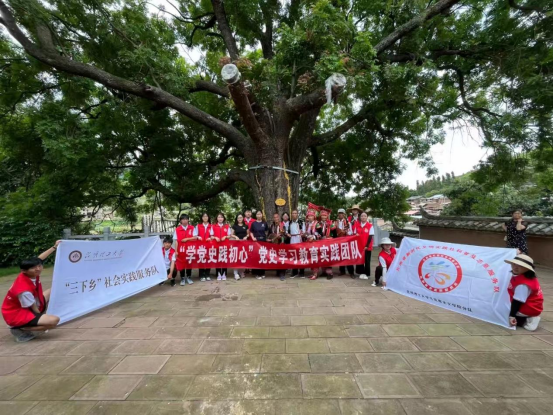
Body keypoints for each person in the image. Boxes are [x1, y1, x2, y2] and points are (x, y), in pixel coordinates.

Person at [2, 241, 61, 343]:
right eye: (34, 268)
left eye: (39, 266)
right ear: (24, 271)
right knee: (53, 321)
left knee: (53, 290)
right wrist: (42, 318)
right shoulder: (23, 290)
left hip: (25, 304)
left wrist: (54, 247)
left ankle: (32, 323)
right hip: (16, 314)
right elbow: (33, 308)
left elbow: (40, 259)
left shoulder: (29, 274)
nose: (38, 269)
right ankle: (20, 329)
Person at [505, 254, 543, 331]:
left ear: (527, 268)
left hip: (529, 307)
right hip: (530, 304)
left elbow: (517, 301)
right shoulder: (522, 276)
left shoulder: (523, 285)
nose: (515, 267)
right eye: (514, 264)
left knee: (504, 316)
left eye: (520, 266)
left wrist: (512, 316)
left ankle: (529, 319)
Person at [172, 214, 197, 286]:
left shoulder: (192, 228)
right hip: (181, 249)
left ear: (188, 220)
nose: (185, 221)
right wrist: (176, 251)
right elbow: (176, 241)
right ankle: (182, 278)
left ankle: (189, 277)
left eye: (186, 219)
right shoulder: (177, 229)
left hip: (190, 249)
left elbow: (195, 237)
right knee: (181, 264)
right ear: (180, 221)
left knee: (189, 263)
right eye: (183, 219)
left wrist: (187, 239)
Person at [352, 211, 374, 280]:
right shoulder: (357, 225)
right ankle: (360, 272)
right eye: (362, 216)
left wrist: (367, 246)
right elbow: (354, 234)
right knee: (360, 259)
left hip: (367, 246)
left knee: (367, 260)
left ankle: (366, 273)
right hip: (359, 246)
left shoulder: (370, 226)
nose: (363, 217)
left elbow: (370, 236)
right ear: (360, 217)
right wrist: (356, 235)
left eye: (365, 216)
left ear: (367, 217)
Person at [316, 208, 335, 280]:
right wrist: (320, 236)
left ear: (327, 216)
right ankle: (323, 271)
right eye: (322, 215)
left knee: (328, 256)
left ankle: (329, 273)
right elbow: (318, 232)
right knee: (322, 256)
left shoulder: (331, 223)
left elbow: (334, 233)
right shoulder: (318, 223)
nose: (323, 217)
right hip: (321, 242)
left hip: (329, 242)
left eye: (325, 215)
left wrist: (331, 237)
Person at [211, 212, 231, 281]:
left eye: (221, 217)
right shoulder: (213, 226)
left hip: (225, 245)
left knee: (224, 259)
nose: (220, 218)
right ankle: (218, 274)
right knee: (218, 260)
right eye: (219, 217)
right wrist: (215, 237)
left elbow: (229, 235)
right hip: (216, 245)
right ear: (217, 218)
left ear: (223, 218)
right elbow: (211, 236)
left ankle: (224, 274)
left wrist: (225, 236)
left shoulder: (227, 226)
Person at [335, 208, 355, 278]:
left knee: (348, 255)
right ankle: (342, 271)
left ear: (344, 214)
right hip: (338, 240)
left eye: (342, 213)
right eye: (339, 213)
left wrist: (345, 232)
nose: (340, 214)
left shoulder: (347, 222)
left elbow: (351, 232)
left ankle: (351, 272)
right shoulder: (336, 222)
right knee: (341, 256)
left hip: (346, 241)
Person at [230, 213, 250, 280]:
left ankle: (241, 271)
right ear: (237, 219)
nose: (240, 219)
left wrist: (246, 237)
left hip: (244, 244)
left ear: (243, 218)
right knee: (236, 258)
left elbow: (248, 234)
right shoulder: (234, 226)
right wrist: (235, 237)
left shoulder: (245, 226)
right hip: (236, 244)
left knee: (242, 257)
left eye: (241, 217)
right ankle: (235, 273)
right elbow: (231, 234)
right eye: (238, 218)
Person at [196, 212, 214, 282]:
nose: (205, 218)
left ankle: (207, 274)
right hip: (200, 246)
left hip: (208, 245)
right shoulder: (198, 226)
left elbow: (212, 235)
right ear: (202, 218)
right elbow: (195, 235)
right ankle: (201, 275)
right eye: (204, 216)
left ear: (208, 218)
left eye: (206, 216)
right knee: (201, 260)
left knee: (208, 260)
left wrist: (210, 238)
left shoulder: (211, 226)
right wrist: (198, 237)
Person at [250, 210, 268, 279]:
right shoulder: (254, 223)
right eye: (257, 214)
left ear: (262, 215)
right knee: (257, 257)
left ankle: (262, 272)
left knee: (263, 256)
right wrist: (253, 237)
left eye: (260, 214)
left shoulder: (264, 223)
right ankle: (257, 273)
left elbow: (266, 231)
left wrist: (266, 237)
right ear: (256, 215)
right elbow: (251, 232)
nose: (259, 215)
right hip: (256, 241)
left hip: (263, 241)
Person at [303, 209, 320, 280]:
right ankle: (313, 273)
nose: (310, 217)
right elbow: (307, 233)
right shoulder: (307, 224)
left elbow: (320, 233)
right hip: (308, 243)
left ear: (314, 217)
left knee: (314, 257)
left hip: (315, 243)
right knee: (310, 258)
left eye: (311, 216)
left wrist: (314, 237)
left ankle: (315, 274)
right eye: (309, 216)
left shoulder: (317, 223)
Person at [269, 213, 286, 281]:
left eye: (277, 217)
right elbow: (269, 235)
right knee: (276, 258)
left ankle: (282, 273)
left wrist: (281, 238)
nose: (276, 218)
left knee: (281, 258)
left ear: (279, 218)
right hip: (274, 245)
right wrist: (270, 239)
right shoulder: (271, 226)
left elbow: (285, 236)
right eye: (274, 217)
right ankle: (278, 271)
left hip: (280, 244)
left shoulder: (282, 225)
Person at [289, 209, 305, 279]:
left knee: (301, 255)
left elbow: (304, 231)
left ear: (297, 214)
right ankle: (294, 271)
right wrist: (288, 234)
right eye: (293, 213)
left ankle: (301, 272)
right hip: (292, 239)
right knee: (293, 255)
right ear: (291, 214)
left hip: (299, 239)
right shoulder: (290, 222)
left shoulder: (301, 222)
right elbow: (288, 231)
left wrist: (302, 234)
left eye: (295, 213)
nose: (294, 214)